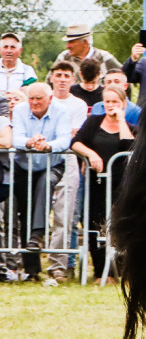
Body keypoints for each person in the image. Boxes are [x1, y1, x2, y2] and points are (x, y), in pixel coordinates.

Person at [71, 86, 136, 285]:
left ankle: (123, 272)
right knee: (94, 225)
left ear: (123, 104)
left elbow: (130, 146)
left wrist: (120, 121)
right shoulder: (93, 122)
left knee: (123, 226)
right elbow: (75, 142)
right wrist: (91, 154)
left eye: (115, 102)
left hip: (121, 186)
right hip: (97, 183)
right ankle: (102, 273)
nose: (110, 106)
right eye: (107, 102)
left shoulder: (131, 128)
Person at [11, 83, 72, 281]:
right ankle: (32, 271)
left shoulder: (62, 111)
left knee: (46, 183)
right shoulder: (20, 110)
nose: (35, 103)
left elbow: (64, 141)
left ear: (50, 99)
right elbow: (16, 139)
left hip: (51, 164)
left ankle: (37, 234)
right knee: (25, 213)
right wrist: (30, 142)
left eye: (39, 99)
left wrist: (48, 145)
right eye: (32, 98)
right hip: (23, 166)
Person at [44, 61, 90, 284]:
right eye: (58, 74)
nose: (62, 79)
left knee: (65, 215)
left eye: (66, 75)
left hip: (67, 159)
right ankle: (22, 263)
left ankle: (58, 264)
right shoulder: (42, 99)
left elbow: (73, 135)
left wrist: (50, 137)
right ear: (51, 77)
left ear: (72, 80)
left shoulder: (78, 104)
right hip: (39, 158)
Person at [53, 24, 120, 76]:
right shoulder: (64, 58)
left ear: (85, 42)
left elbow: (124, 78)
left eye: (71, 42)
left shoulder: (104, 58)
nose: (67, 46)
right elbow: (49, 82)